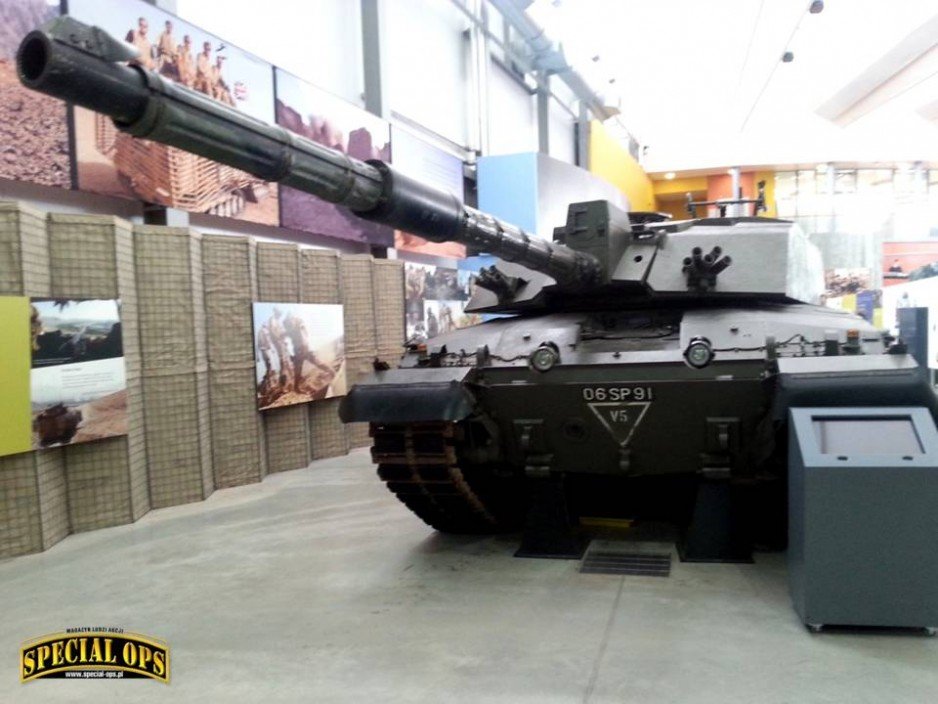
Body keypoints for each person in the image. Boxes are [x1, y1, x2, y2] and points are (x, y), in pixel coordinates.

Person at [283, 313, 333, 393]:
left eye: (289, 322)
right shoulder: (296, 325)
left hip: (301, 349)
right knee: (304, 367)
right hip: (301, 349)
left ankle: (331, 371)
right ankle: (331, 371)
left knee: (305, 366)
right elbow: (303, 334)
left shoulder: (297, 325)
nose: (289, 324)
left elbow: (302, 335)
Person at [267, 308, 293, 392]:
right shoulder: (272, 320)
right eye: (279, 313)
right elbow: (273, 333)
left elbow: (281, 332)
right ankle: (283, 386)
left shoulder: (277, 321)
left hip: (281, 343)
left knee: (287, 362)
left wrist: (284, 341)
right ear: (276, 313)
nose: (280, 315)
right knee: (283, 363)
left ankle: (291, 380)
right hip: (279, 344)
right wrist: (279, 340)